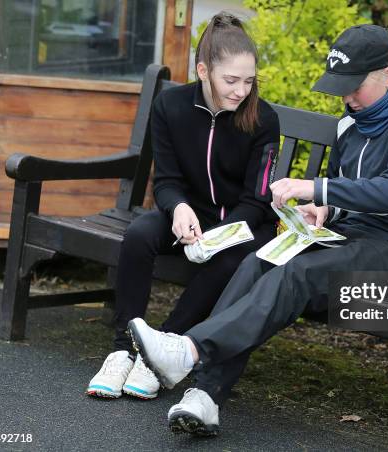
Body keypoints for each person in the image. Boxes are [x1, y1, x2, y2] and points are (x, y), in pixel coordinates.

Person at [127, 23, 388, 435]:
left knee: (299, 271)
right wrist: (325, 211)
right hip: (349, 246)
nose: (346, 97)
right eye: (340, 87)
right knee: (261, 260)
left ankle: (188, 350)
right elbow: (349, 197)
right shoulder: (350, 126)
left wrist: (313, 186)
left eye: (354, 86)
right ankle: (205, 397)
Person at [86, 12, 280, 399]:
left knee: (227, 260)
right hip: (190, 216)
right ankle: (123, 348)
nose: (241, 91)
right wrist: (177, 209)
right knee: (140, 234)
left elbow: (258, 199)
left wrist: (218, 237)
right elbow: (168, 181)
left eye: (249, 81)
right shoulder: (170, 105)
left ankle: (161, 350)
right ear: (203, 69)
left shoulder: (264, 120)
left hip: (242, 227)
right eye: (231, 80)